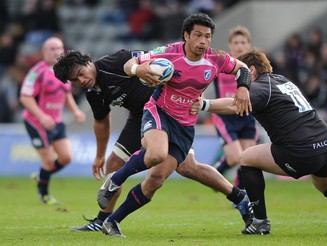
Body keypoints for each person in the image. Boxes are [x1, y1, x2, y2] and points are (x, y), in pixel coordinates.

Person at [53, 49, 253, 233]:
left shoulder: (115, 62)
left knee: (187, 168)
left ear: (88, 62)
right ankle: (102, 220)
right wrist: (98, 156)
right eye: (75, 80)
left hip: (167, 110)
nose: (81, 79)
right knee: (113, 163)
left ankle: (238, 196)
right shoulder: (93, 93)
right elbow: (102, 123)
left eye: (81, 72)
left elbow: (150, 57)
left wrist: (146, 70)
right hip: (141, 118)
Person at [95, 12, 252, 237]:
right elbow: (131, 63)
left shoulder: (216, 58)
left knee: (156, 180)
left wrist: (243, 87)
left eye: (207, 36)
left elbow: (242, 68)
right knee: (157, 153)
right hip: (159, 111)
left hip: (185, 123)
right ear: (186, 36)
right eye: (197, 35)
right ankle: (115, 180)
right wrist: (138, 69)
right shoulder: (168, 52)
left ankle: (112, 222)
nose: (203, 41)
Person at [201, 48, 327, 235]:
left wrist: (204, 104)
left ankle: (259, 221)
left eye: (239, 73)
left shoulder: (259, 87)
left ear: (251, 70)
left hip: (301, 150)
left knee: (247, 157)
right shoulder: (282, 80)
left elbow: (235, 105)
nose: (237, 79)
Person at [19, 37, 86, 205]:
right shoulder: (37, 71)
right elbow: (25, 97)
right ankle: (44, 195)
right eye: (52, 49)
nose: (57, 52)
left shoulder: (64, 71)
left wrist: (76, 111)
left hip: (56, 121)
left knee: (66, 158)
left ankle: (41, 176)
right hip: (36, 121)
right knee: (48, 161)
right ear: (44, 52)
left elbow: (66, 94)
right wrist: (42, 116)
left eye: (59, 48)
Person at [211, 25, 257, 190]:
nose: (239, 46)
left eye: (243, 42)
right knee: (235, 157)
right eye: (236, 42)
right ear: (230, 45)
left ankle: (239, 192)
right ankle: (217, 171)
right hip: (225, 115)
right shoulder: (222, 62)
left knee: (250, 158)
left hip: (247, 115)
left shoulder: (254, 67)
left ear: (249, 45)